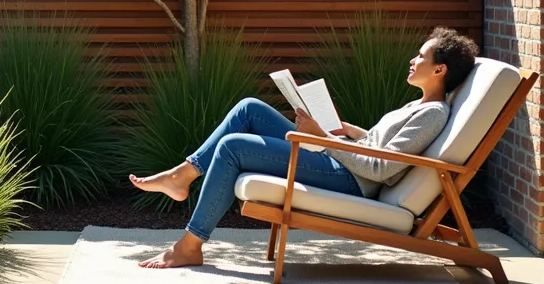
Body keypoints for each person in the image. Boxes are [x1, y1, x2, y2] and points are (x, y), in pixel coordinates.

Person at [128, 27, 479, 269]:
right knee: (249, 107)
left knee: (234, 147)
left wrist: (323, 139)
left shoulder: (432, 114)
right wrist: (339, 128)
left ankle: (190, 246)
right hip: (339, 157)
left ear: (440, 70)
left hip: (349, 179)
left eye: (421, 56)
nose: (412, 60)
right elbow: (375, 143)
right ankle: (182, 175)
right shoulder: (417, 105)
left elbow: (382, 170)